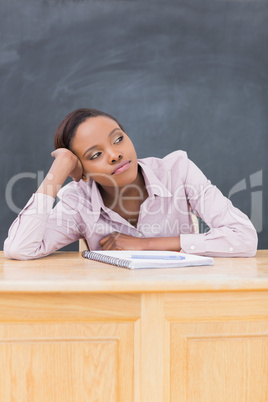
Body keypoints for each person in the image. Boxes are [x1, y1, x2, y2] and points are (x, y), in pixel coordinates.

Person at [4, 108, 258, 260]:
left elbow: (244, 238)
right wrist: (57, 173)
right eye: (95, 155)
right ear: (82, 172)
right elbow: (19, 248)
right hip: (115, 309)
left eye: (118, 140)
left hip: (183, 298)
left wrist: (146, 245)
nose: (114, 154)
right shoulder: (77, 200)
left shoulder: (177, 170)